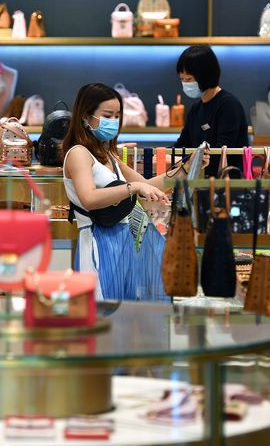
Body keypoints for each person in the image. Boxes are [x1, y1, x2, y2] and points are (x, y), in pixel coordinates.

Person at [63, 83, 179, 301]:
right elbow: (89, 198)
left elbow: (149, 186)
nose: (114, 121)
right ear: (85, 116)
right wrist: (132, 188)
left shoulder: (108, 154)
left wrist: (184, 169)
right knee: (103, 311)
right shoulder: (79, 154)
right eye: (108, 115)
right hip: (97, 240)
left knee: (125, 313)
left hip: (124, 239)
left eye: (117, 116)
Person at [173, 45, 249, 175]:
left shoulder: (228, 105)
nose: (185, 84)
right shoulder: (195, 110)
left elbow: (221, 152)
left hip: (227, 182)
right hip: (200, 181)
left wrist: (189, 162)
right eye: (182, 79)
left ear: (205, 76)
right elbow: (181, 146)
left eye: (189, 79)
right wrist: (159, 155)